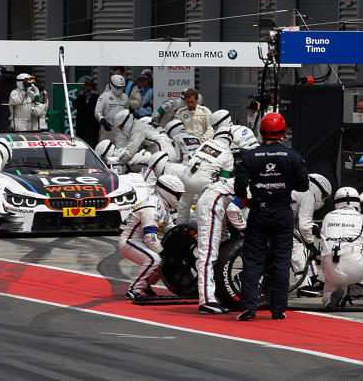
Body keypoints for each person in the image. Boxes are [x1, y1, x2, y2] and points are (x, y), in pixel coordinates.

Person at [234, 112, 309, 321]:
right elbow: (304, 185)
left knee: (252, 260)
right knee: (281, 261)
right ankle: (278, 309)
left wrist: (247, 199)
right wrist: (284, 185)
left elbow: (239, 187)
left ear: (261, 132)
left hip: (259, 212)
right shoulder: (293, 156)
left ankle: (249, 307)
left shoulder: (250, 156)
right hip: (282, 212)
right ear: (283, 133)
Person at [119, 173, 185, 300]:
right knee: (155, 259)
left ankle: (145, 284)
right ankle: (134, 289)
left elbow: (171, 230)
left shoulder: (163, 207)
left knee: (162, 259)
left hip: (140, 241)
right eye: (178, 195)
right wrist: (164, 253)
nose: (179, 199)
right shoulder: (151, 208)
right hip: (129, 241)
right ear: (167, 192)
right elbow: (150, 238)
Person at [195, 176, 247, 314]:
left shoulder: (257, 179)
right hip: (212, 205)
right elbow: (233, 210)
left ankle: (215, 293)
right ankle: (206, 301)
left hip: (218, 204)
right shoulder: (255, 184)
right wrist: (245, 228)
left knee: (220, 254)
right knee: (208, 255)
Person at [178, 129, 235, 224]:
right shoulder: (228, 153)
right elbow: (224, 179)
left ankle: (179, 229)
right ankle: (207, 231)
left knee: (183, 204)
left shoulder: (206, 143)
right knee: (207, 208)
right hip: (203, 183)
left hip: (185, 175)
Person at [291, 172, 332, 297]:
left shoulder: (295, 188)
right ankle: (304, 285)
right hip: (274, 221)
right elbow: (304, 225)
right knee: (299, 246)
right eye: (324, 196)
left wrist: (312, 229)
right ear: (316, 187)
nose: (323, 200)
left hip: (259, 218)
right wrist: (310, 244)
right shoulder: (307, 193)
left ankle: (312, 279)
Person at [96, 74, 130, 146]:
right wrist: (103, 121)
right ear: (112, 85)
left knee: (120, 151)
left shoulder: (125, 97)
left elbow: (127, 112)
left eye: (122, 87)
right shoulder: (104, 97)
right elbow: (97, 112)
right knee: (105, 150)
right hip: (107, 129)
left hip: (121, 130)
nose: (120, 90)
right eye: (118, 87)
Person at [73, 78, 100, 146]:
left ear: (92, 87)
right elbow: (74, 105)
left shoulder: (97, 97)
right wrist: (79, 96)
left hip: (93, 124)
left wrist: (95, 95)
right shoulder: (81, 96)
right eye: (87, 86)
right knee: (81, 141)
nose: (88, 88)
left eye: (89, 86)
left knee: (92, 142)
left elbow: (100, 106)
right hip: (82, 124)